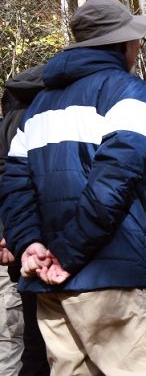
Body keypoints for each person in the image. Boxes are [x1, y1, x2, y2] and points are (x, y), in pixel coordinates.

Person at [0, 0, 146, 375]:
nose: (138, 47)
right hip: (112, 282)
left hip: (50, 286)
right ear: (121, 43)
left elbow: (14, 182)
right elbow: (115, 180)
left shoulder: (39, 105)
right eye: (135, 40)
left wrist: (29, 245)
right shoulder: (129, 91)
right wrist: (66, 255)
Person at [0, 65, 49, 376]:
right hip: (34, 245)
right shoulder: (48, 118)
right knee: (24, 338)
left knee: (22, 340)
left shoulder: (9, 120)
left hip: (18, 245)